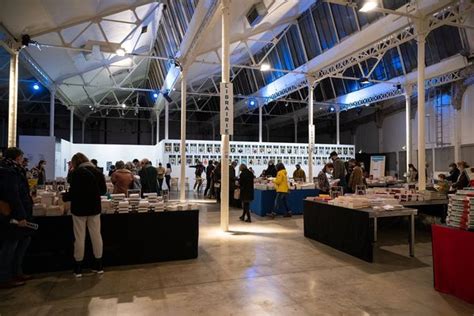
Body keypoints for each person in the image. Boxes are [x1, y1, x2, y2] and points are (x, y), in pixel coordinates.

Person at [61, 152, 106, 277]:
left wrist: (64, 197)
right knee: (96, 235)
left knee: (79, 237)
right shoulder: (97, 172)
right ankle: (99, 265)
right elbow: (103, 191)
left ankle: (78, 267)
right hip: (94, 208)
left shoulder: (75, 173)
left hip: (79, 208)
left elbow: (73, 192)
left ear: (75, 162)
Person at [0, 148, 34, 288]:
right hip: (13, 215)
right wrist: (20, 216)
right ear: (17, 157)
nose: (22, 159)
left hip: (19, 212)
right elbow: (13, 195)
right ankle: (5, 277)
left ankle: (16, 272)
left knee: (21, 242)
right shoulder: (9, 172)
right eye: (21, 157)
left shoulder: (12, 170)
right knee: (10, 245)